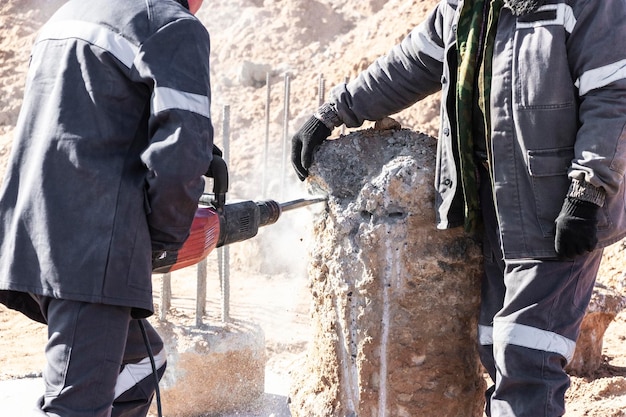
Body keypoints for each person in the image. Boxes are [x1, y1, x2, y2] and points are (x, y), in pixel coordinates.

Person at [291, 1, 626, 416]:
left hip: (561, 215)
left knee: (526, 354)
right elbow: (412, 61)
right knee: (494, 346)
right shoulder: (468, 7)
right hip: (494, 210)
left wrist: (588, 189)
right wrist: (334, 111)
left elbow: (613, 95)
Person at [0, 0, 213, 416]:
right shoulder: (171, 25)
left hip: (26, 232)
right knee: (75, 407)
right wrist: (163, 239)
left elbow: (86, 121)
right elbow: (183, 149)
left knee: (140, 362)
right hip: (90, 251)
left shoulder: (71, 12)